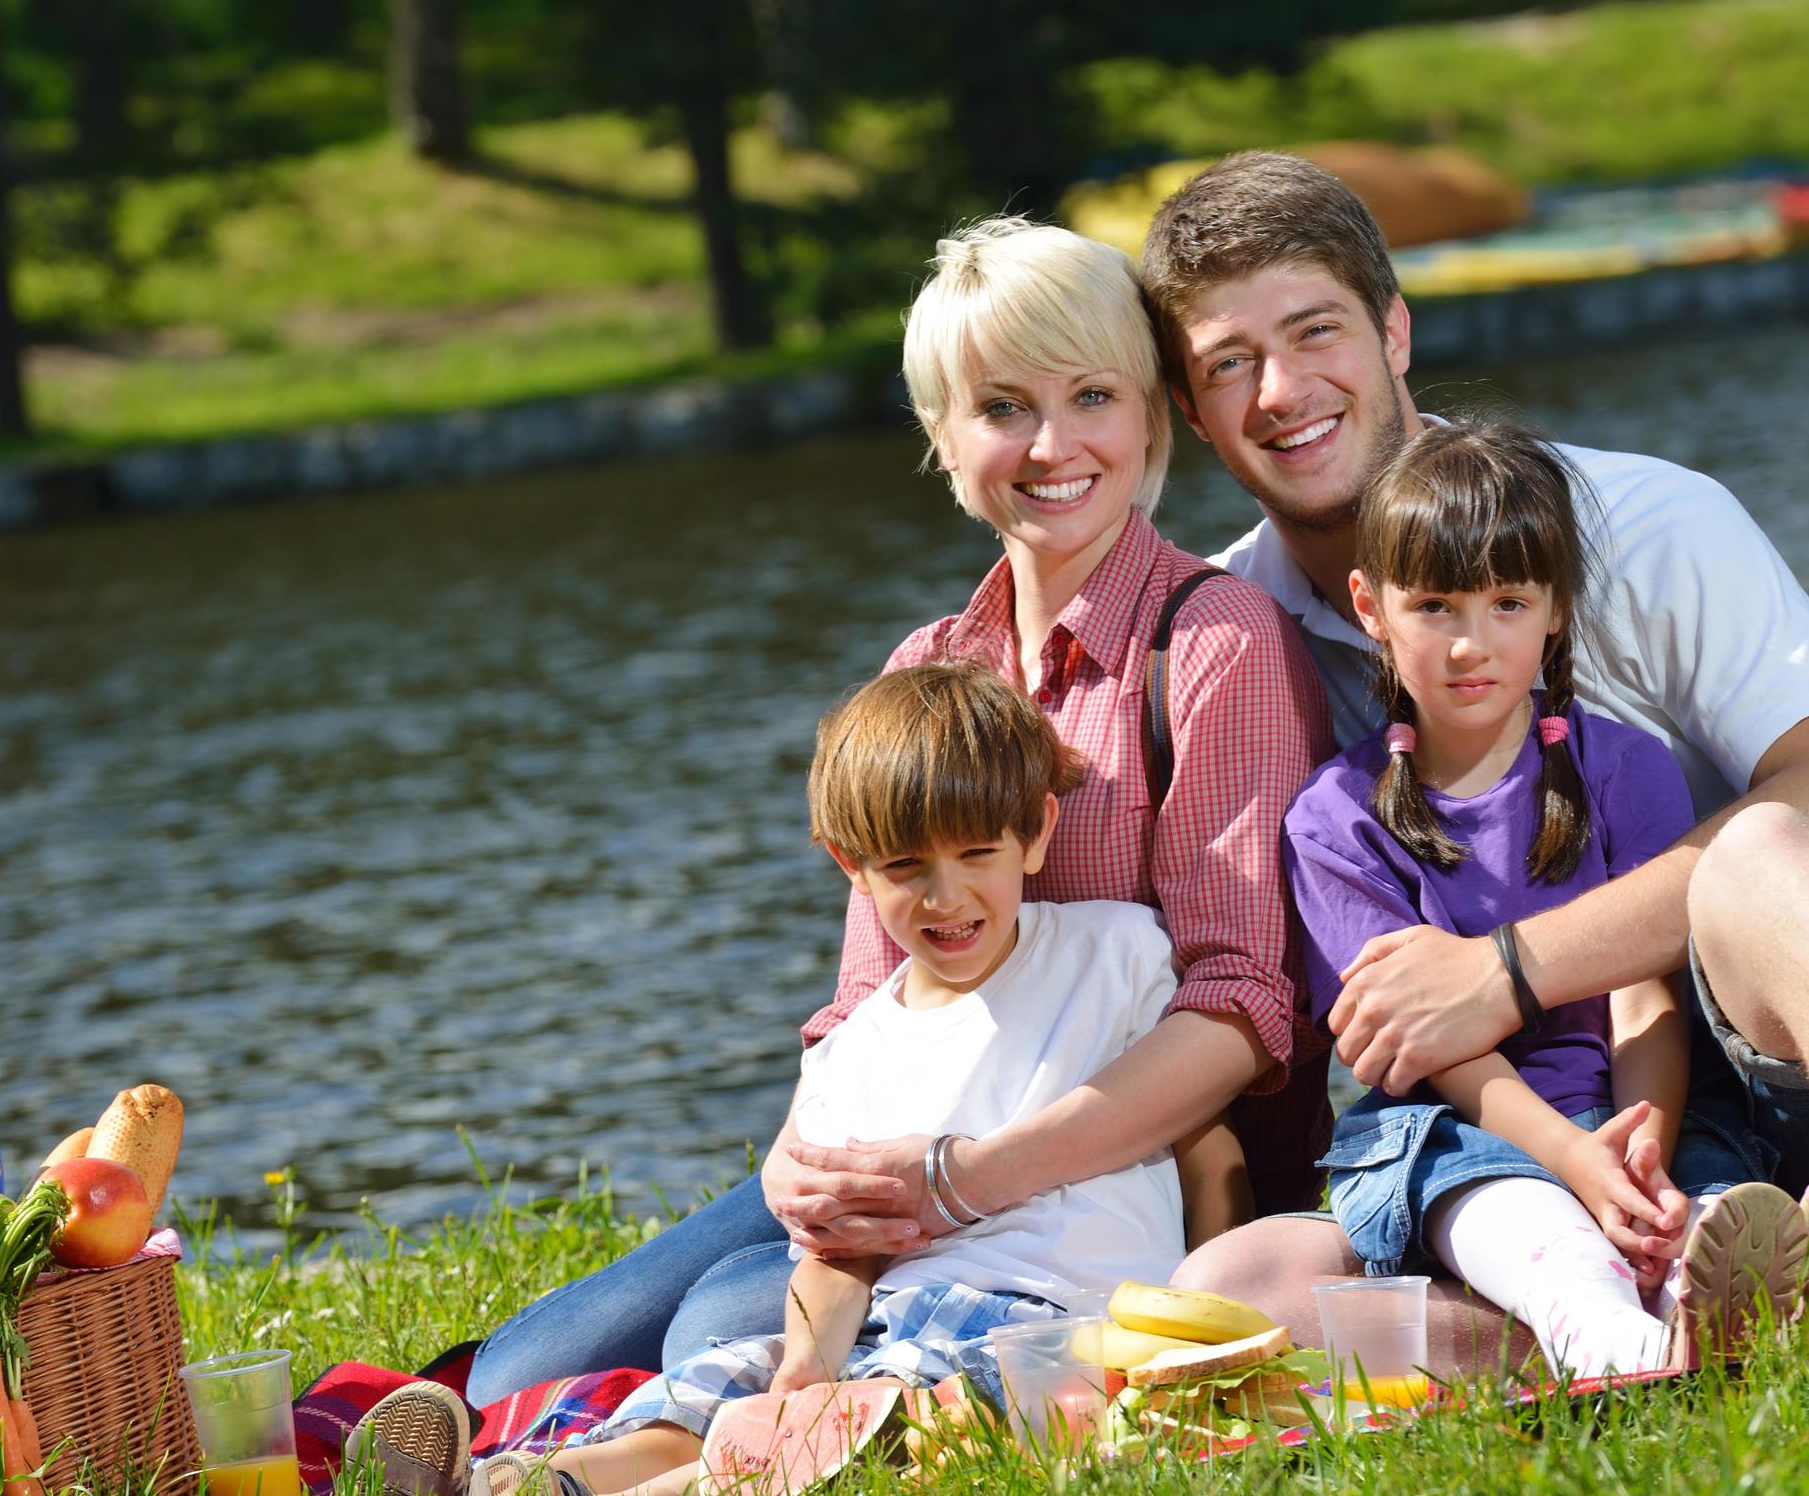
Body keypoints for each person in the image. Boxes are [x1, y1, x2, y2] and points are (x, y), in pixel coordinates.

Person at [1144, 150, 1809, 1390]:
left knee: (1759, 851)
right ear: (1192, 406)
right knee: (1242, 1289)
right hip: (1534, 1148)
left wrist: (1510, 972)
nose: (1279, 390)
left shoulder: (1642, 520)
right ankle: (1718, 1326)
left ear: (1393, 330)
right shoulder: (1232, 636)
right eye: (1227, 363)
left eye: (1314, 330)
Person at [463, 217, 1332, 1410]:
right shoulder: (929, 663)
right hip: (918, 1140)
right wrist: (804, 1160)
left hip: (1107, 1173)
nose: (1053, 443)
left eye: (1091, 395)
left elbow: (1240, 1008)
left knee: (718, 1320)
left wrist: (961, 1181)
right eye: (1002, 407)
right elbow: (862, 1005)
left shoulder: (1213, 644)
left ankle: (681, 1442)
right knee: (516, 1365)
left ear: (1150, 413)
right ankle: (495, 1452)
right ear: (942, 436)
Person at [470, 663, 1187, 1496]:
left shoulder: (1116, 952)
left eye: (976, 855)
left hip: (1053, 1320)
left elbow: (1199, 1134)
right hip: (894, 1312)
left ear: (1035, 833)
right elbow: (838, 1252)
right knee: (718, 1389)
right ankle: (508, 1486)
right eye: (904, 866)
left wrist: (1210, 1312)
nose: (945, 896)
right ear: (851, 866)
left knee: (899, 1416)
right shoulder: (854, 1052)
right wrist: (804, 1364)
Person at [1291, 416, 1809, 1379]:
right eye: (1435, 607)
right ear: (1369, 608)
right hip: (1459, 1131)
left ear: (1555, 609)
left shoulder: (1625, 768)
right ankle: (1616, 1347)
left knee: (1700, 1217)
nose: (1471, 643)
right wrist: (1573, 1162)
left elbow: (1643, 989)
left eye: (1507, 603)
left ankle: (1789, 1315)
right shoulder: (1334, 820)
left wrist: (1641, 1149)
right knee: (1541, 1232)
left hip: (1639, 1107)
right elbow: (1435, 1045)